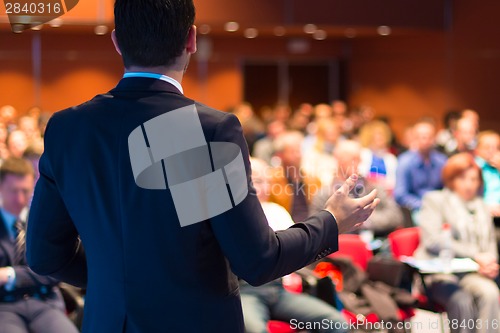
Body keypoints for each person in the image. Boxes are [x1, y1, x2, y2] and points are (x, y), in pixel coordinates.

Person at [25, 1, 379, 333]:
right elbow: (257, 260)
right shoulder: (204, 131)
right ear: (191, 38)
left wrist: (117, 276)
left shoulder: (68, 128)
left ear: (117, 42)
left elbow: (44, 256)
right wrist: (330, 221)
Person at [240, 158, 347, 333]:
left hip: (277, 290)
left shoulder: (276, 211)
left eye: (267, 182)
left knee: (336, 323)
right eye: (257, 182)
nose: (265, 188)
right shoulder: (233, 219)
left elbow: (297, 250)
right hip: (246, 292)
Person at [415, 153, 499, 333]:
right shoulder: (435, 200)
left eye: (474, 179)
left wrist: (490, 262)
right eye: (462, 178)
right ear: (451, 179)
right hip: (439, 272)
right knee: (461, 299)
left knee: (490, 292)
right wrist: (476, 255)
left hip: (472, 272)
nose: (468, 184)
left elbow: (490, 241)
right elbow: (433, 240)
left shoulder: (482, 206)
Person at [0, 158, 78, 333]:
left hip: (44, 301)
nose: (20, 199)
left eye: (25, 191)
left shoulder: (43, 220)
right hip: (4, 306)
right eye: (13, 191)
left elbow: (55, 272)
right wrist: (31, 274)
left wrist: (10, 274)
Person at [310, 140, 403, 237]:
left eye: (358, 158)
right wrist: (349, 221)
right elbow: (317, 228)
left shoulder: (373, 187)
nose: (357, 162)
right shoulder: (324, 194)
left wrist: (365, 220)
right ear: (338, 159)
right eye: (352, 158)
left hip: (376, 243)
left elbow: (396, 217)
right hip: (342, 247)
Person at [394, 119, 447, 215]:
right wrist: (422, 205)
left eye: (429, 137)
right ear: (415, 138)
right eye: (422, 137)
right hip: (415, 209)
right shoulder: (404, 161)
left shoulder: (442, 161)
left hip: (439, 207)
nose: (426, 140)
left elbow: (447, 188)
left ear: (434, 138)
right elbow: (400, 194)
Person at [474, 130, 500, 217]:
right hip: (481, 213)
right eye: (487, 147)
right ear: (477, 149)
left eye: (497, 147)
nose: (493, 151)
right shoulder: (473, 167)